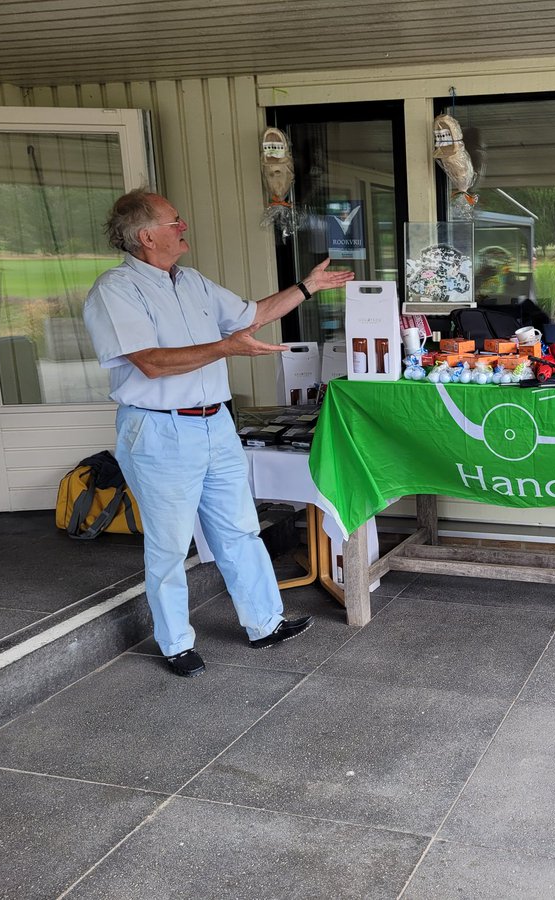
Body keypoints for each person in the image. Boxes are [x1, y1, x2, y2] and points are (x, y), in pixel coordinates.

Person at [83, 188, 354, 678]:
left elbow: (251, 315)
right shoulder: (115, 291)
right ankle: (175, 643)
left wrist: (307, 287)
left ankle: (264, 623)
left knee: (239, 528)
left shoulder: (191, 281)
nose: (183, 226)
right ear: (146, 236)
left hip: (215, 423)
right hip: (160, 431)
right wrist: (227, 349)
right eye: (174, 220)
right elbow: (150, 363)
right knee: (168, 545)